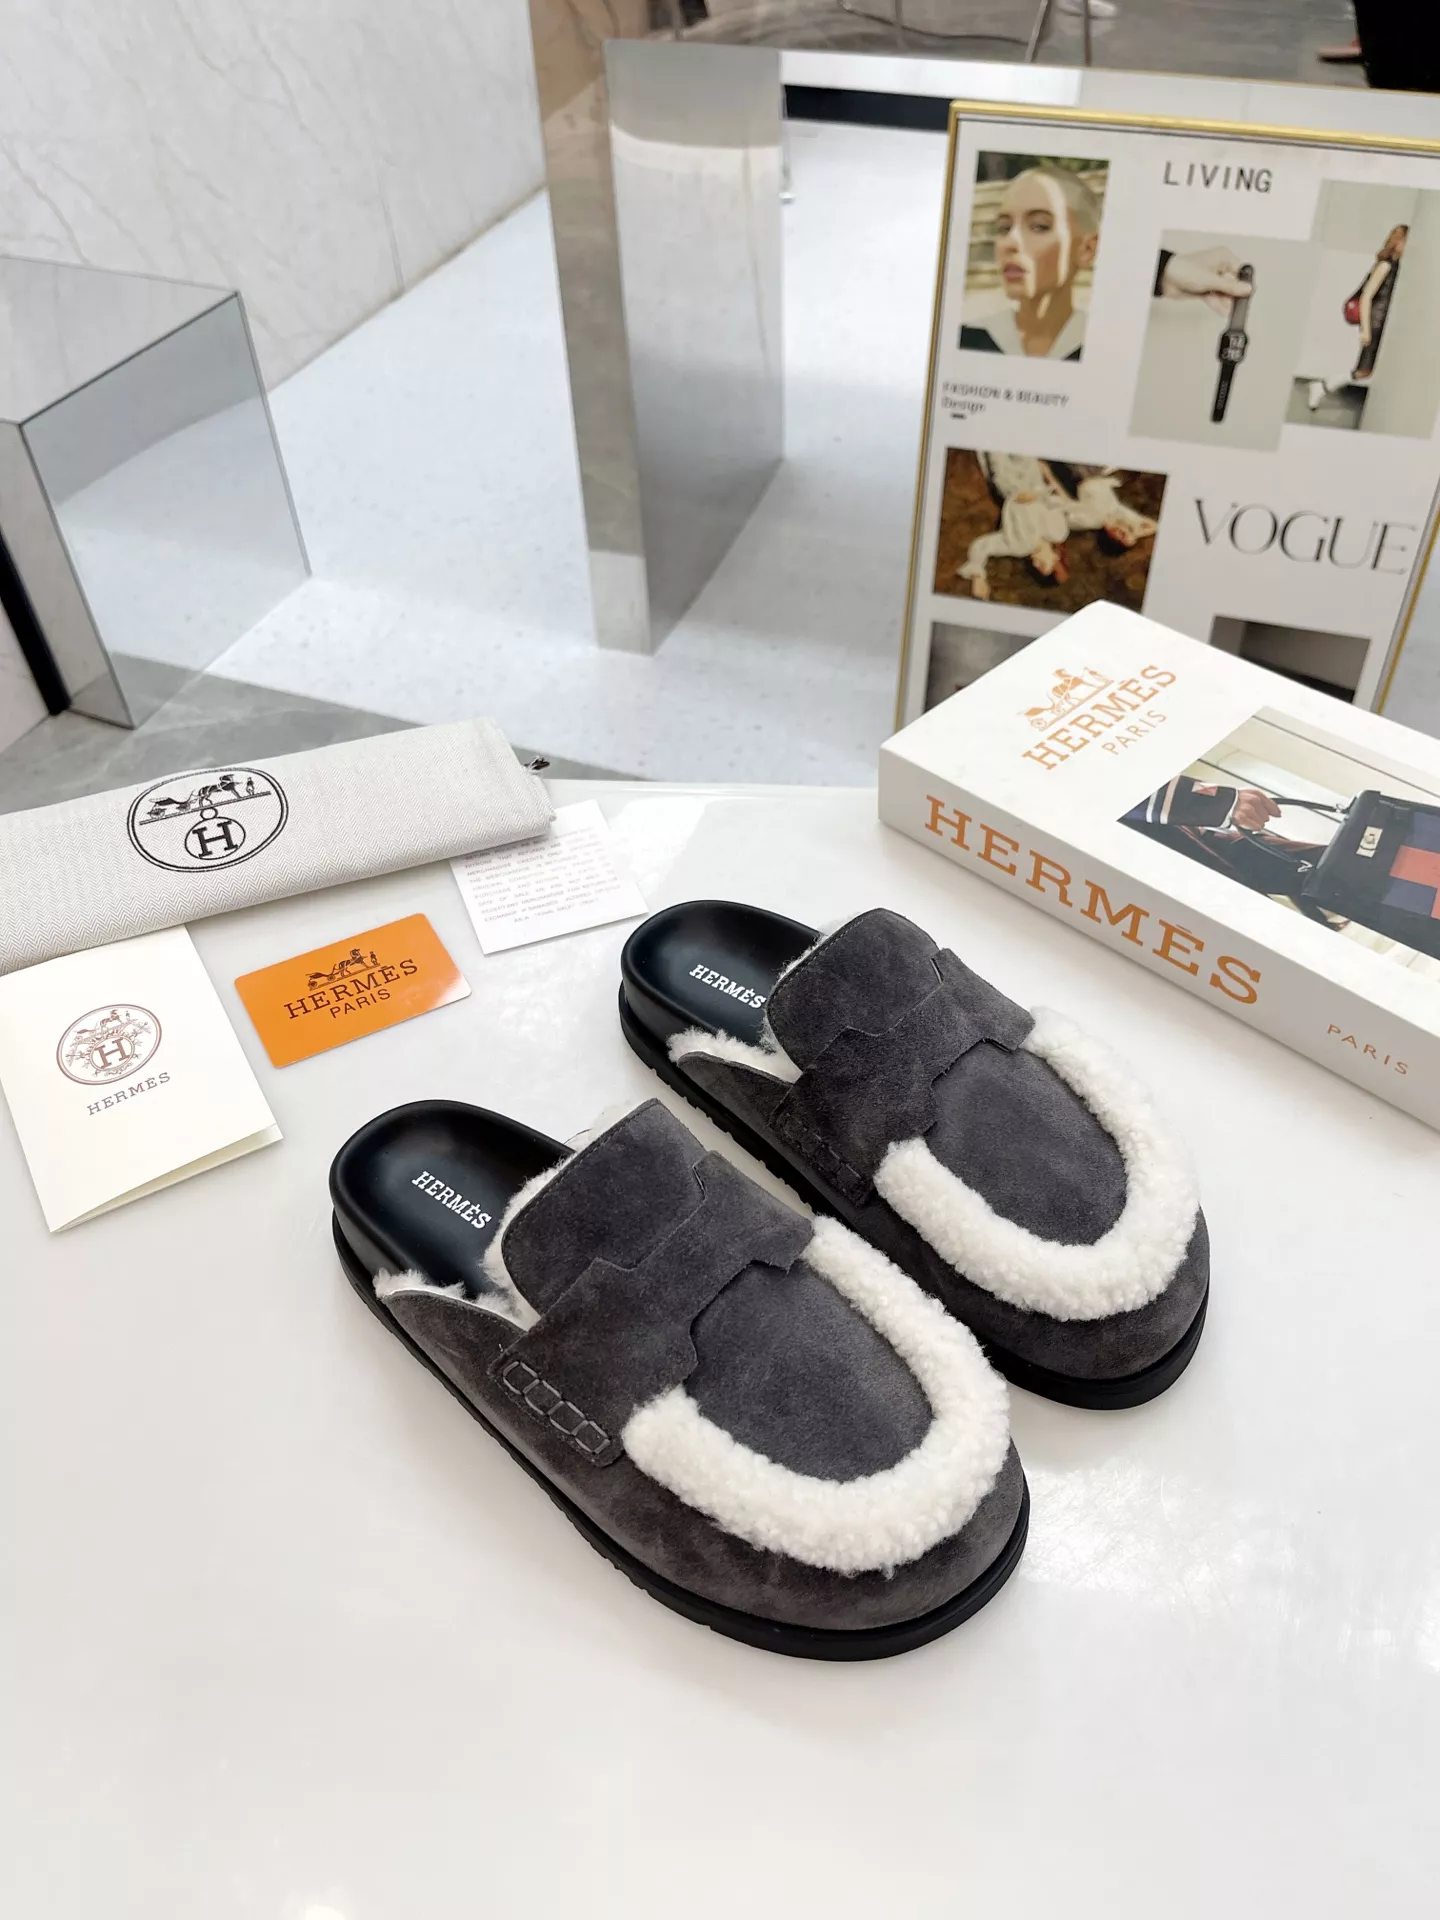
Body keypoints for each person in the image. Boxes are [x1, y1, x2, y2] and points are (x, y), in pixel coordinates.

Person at [961, 165, 1103, 360]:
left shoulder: (1104, 347)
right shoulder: (966, 338)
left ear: (1087, 249)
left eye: (1039, 226)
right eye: (1004, 228)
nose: (1010, 243)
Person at [956, 454, 1072, 599]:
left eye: (1036, 568)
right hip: (1033, 478)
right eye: (1042, 565)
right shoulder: (1059, 531)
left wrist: (978, 577)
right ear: (1056, 557)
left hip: (1008, 484)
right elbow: (1057, 502)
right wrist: (1041, 491)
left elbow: (982, 546)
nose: (1035, 564)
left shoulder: (1019, 546)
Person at [1349, 224, 1406, 382]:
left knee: (1366, 370)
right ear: (1398, 242)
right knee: (1363, 370)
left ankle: (1324, 386)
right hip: (1375, 322)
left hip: (1379, 322)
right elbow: (1366, 296)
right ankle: (1324, 385)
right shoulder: (1385, 266)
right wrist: (1366, 329)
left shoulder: (1395, 267)